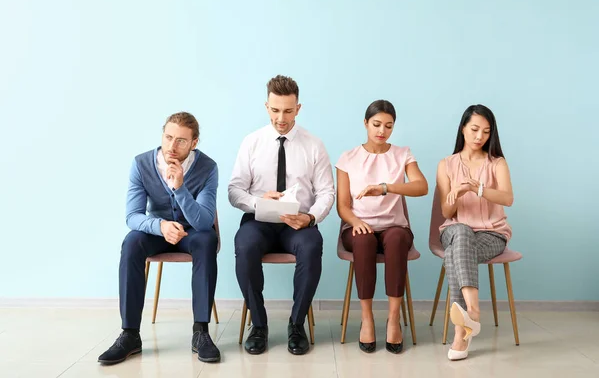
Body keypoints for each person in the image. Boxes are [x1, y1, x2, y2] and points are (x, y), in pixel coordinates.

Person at [98, 112, 221, 365]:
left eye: (181, 141)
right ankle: (130, 334)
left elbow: (204, 221)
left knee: (207, 239)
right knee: (131, 242)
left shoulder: (208, 168)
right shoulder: (141, 164)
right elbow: (132, 216)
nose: (172, 147)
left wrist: (180, 188)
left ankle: (201, 332)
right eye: (168, 138)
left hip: (192, 232)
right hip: (157, 231)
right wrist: (160, 225)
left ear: (194, 143)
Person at [228, 75, 335, 356]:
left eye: (288, 111)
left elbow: (326, 192)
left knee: (312, 246)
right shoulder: (252, 142)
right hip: (259, 220)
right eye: (275, 110)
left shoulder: (314, 145)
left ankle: (297, 324)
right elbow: (234, 190)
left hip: (298, 223)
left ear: (298, 108)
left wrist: (310, 218)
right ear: (267, 107)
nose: (281, 118)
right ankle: (259, 325)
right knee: (245, 245)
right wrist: (257, 200)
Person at [336, 100, 428, 354]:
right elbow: (342, 205)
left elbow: (421, 186)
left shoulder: (403, 154)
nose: (382, 131)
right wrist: (356, 222)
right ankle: (367, 319)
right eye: (376, 124)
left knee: (397, 238)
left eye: (388, 126)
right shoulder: (348, 158)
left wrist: (387, 187)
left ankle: (393, 318)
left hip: (394, 227)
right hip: (357, 227)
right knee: (364, 240)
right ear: (365, 123)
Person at [436, 104, 514, 361]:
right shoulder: (446, 165)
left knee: (455, 253)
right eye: (474, 129)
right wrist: (456, 193)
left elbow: (507, 198)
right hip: (454, 229)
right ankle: (473, 311)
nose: (480, 136)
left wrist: (477, 188)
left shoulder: (497, 163)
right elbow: (448, 213)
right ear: (463, 129)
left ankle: (461, 333)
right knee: (461, 231)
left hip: (492, 234)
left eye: (486, 131)